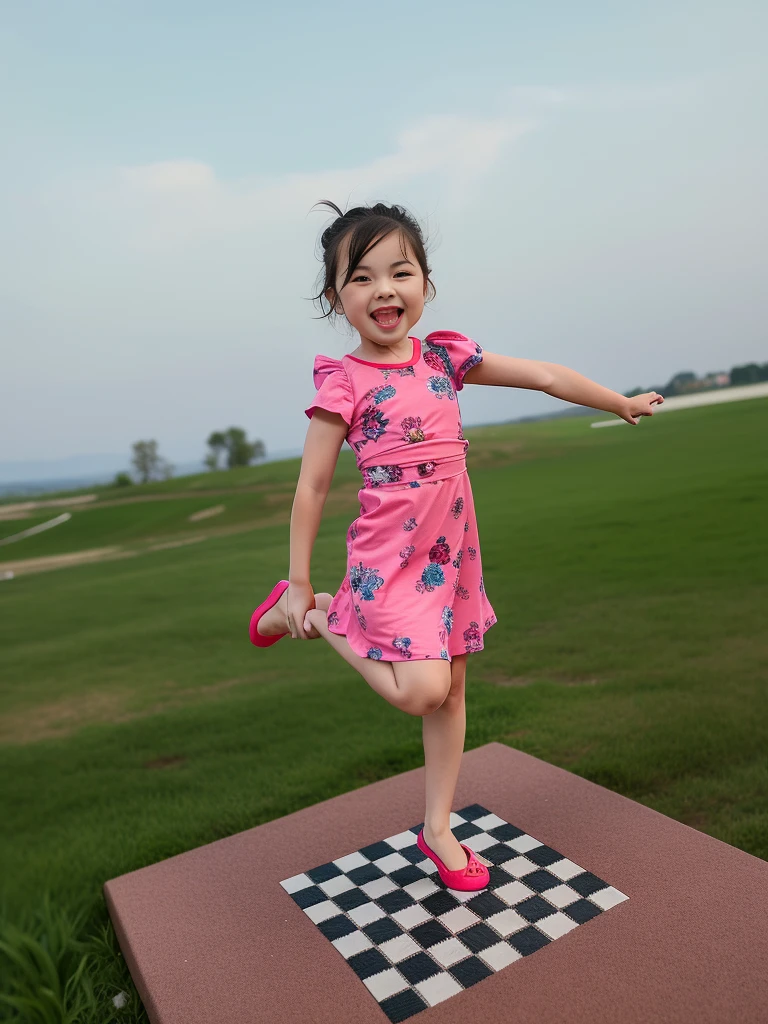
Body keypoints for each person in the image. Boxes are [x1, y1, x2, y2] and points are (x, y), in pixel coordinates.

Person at [250, 200, 663, 891]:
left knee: (452, 692)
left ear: (425, 283)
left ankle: (438, 827)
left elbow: (546, 376)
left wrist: (616, 401)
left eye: (400, 271)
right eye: (362, 278)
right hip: (389, 556)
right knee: (421, 691)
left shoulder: (445, 354)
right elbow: (312, 488)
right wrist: (297, 581)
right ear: (335, 298)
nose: (384, 289)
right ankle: (321, 614)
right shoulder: (343, 382)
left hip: (451, 555)